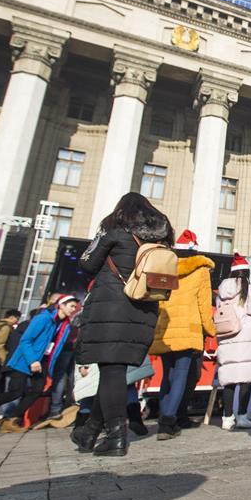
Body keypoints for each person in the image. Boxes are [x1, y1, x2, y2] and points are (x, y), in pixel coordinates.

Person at [71, 192, 174, 457]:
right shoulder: (163, 231)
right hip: (145, 307)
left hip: (112, 305)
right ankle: (90, 431)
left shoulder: (114, 227)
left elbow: (87, 262)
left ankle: (117, 437)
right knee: (113, 371)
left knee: (111, 371)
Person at [149, 229, 217, 440]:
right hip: (189, 328)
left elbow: (156, 298)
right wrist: (210, 329)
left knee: (166, 376)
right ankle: (169, 421)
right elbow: (204, 304)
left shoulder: (165, 267)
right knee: (181, 375)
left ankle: (164, 419)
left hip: (166, 327)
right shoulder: (201, 270)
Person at [0, 296, 78, 432]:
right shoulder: (43, 319)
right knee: (15, 392)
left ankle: (11, 419)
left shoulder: (63, 324)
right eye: (71, 306)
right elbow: (25, 340)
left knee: (37, 390)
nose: (73, 309)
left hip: (41, 361)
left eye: (74, 307)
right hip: (25, 360)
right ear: (61, 305)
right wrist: (32, 360)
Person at [216, 253, 251, 431]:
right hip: (245, 338)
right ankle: (242, 416)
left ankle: (227, 418)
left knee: (229, 379)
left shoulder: (222, 291)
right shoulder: (249, 289)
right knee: (245, 379)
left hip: (227, 337)